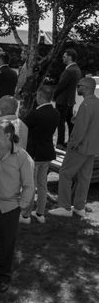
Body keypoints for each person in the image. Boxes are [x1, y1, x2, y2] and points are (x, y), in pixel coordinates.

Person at [0, 121, 34, 293]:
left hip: (10, 206)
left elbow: (29, 185)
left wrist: (22, 205)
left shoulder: (22, 157)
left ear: (8, 136)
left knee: (6, 245)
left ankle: (3, 277)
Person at [49, 77, 99, 218]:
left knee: (65, 173)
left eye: (79, 86)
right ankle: (79, 207)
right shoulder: (96, 103)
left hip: (80, 147)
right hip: (93, 149)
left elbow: (81, 129)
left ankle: (64, 206)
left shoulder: (86, 105)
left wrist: (73, 144)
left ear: (87, 88)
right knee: (84, 177)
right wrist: (75, 120)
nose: (77, 88)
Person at [22, 86, 60, 223]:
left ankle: (25, 215)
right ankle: (40, 213)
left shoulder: (35, 114)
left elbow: (22, 127)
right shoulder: (56, 113)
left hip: (35, 154)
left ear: (40, 96)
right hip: (48, 152)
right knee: (43, 185)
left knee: (31, 185)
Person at [53, 48, 82, 148]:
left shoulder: (69, 70)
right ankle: (71, 141)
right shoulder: (77, 69)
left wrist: (54, 96)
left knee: (60, 122)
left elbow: (61, 85)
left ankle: (60, 143)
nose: (63, 58)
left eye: (64, 56)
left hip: (62, 100)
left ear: (69, 57)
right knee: (70, 122)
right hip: (70, 100)